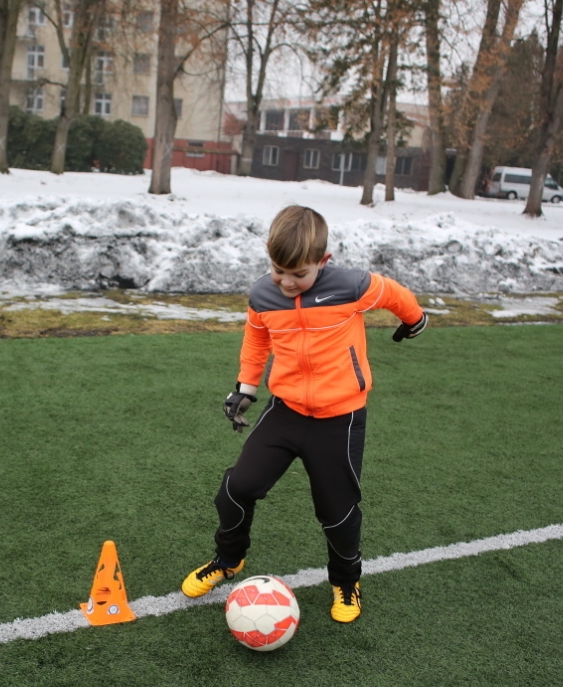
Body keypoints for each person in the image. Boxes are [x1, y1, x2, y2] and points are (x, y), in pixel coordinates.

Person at [180, 205, 427, 622]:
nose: (288, 283)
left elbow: (394, 294)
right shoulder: (262, 294)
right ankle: (228, 559)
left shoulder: (351, 286)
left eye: (300, 274)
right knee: (237, 486)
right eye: (279, 271)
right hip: (287, 410)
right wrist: (245, 387)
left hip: (340, 416)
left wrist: (414, 319)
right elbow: (257, 339)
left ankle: (346, 581)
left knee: (337, 509)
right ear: (268, 256)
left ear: (323, 262)